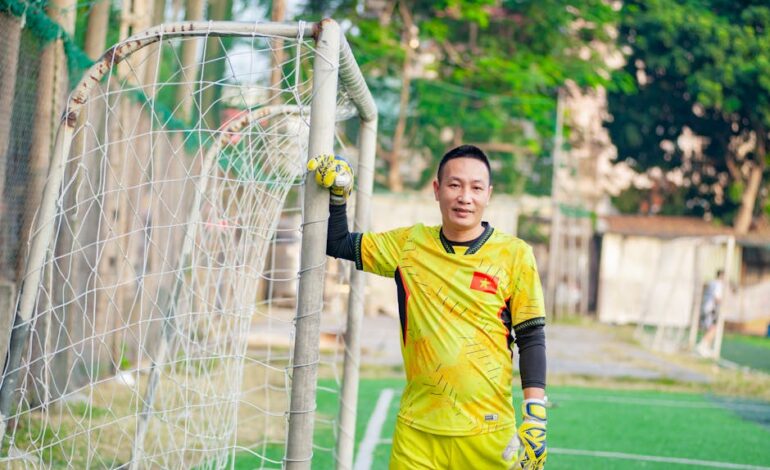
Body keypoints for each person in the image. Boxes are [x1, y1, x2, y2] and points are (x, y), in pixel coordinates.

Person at [308, 145, 547, 469]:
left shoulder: (516, 255)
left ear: (488, 194)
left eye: (476, 187)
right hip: (418, 433)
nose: (465, 197)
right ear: (437, 190)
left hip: (488, 433)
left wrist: (536, 416)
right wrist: (338, 198)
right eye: (454, 185)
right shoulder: (409, 245)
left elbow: (531, 337)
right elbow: (336, 243)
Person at [696, 270, 725, 356]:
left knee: (710, 327)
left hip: (706, 307)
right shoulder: (719, 284)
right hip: (712, 308)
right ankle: (702, 346)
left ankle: (705, 347)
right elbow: (717, 298)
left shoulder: (712, 283)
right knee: (714, 328)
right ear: (721, 276)